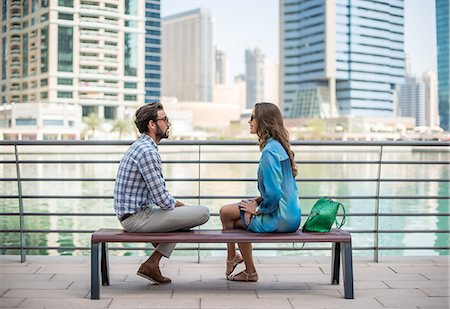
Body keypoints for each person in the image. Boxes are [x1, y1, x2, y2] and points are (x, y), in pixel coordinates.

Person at [114, 102, 210, 285]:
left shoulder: (141, 147)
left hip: (135, 214)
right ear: (152, 124)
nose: (169, 124)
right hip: (137, 218)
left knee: (182, 218)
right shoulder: (147, 152)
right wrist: (183, 207)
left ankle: (153, 264)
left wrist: (179, 209)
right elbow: (163, 200)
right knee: (203, 212)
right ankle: (151, 264)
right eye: (164, 119)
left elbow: (159, 198)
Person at [219, 102, 301, 282]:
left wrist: (256, 211)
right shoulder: (278, 146)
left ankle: (247, 269)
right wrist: (256, 201)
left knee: (231, 218)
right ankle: (235, 259)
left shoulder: (269, 153)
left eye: (252, 117)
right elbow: (278, 191)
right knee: (228, 212)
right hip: (292, 214)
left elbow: (274, 195)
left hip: (280, 218)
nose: (249, 121)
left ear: (263, 121)